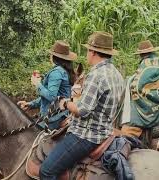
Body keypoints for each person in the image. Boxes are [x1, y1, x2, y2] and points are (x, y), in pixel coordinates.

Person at [39, 32, 124, 179]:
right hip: (105, 131)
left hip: (86, 135)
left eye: (88, 50)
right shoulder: (116, 74)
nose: (87, 54)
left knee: (46, 171)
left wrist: (65, 103)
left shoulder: (96, 75)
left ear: (93, 52)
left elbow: (82, 110)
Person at [120, 40, 159, 144]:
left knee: (123, 136)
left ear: (141, 54)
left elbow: (137, 85)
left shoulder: (145, 63)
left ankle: (133, 132)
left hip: (141, 111)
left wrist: (130, 80)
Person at [18, 40, 77, 130]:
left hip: (54, 117)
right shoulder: (63, 71)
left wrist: (37, 84)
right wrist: (30, 104)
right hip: (60, 114)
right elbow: (53, 97)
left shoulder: (57, 72)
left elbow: (51, 96)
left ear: (53, 56)